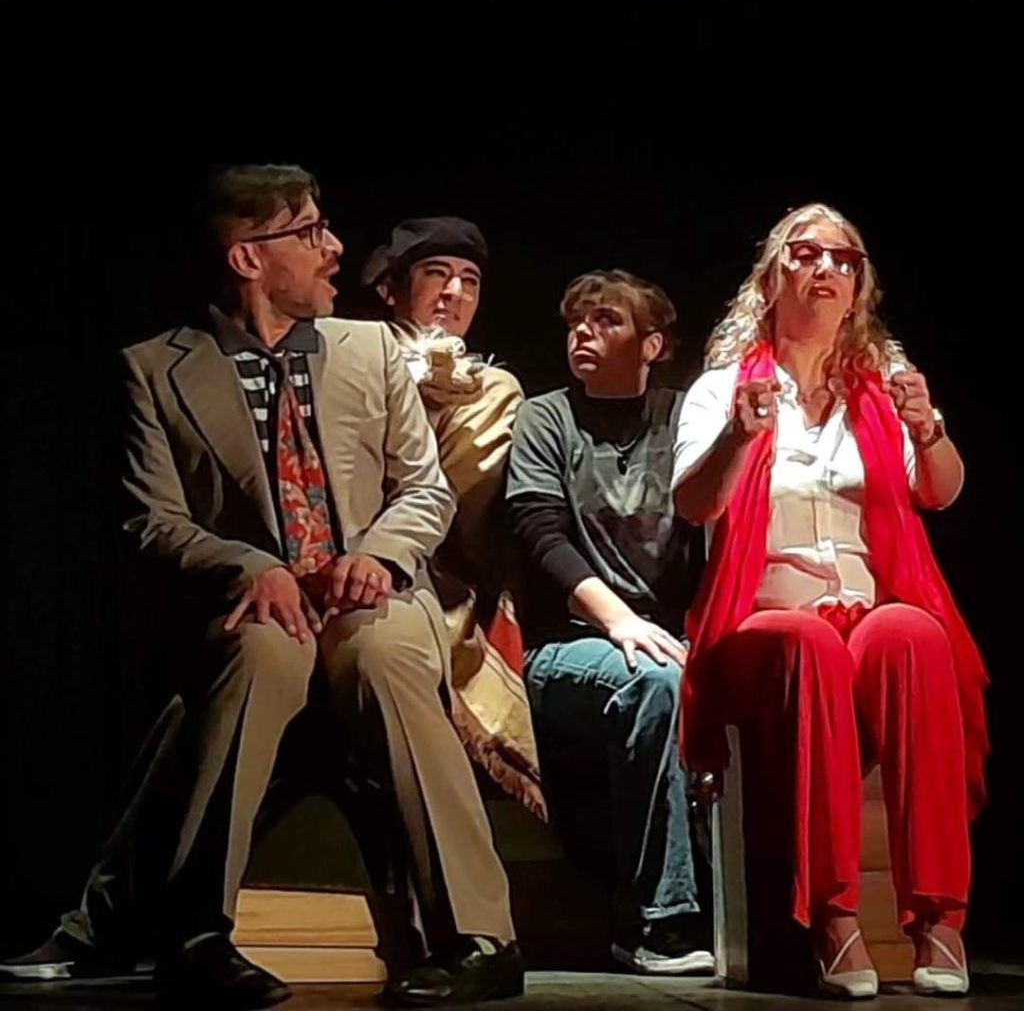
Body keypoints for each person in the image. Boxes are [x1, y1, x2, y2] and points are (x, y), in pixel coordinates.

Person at [1, 166, 522, 1008]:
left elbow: (424, 489)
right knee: (261, 658)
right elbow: (152, 521)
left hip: (375, 593)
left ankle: (479, 939)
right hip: (256, 602)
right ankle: (196, 935)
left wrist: (380, 556)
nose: (335, 247)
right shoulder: (156, 369)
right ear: (248, 258)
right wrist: (250, 567)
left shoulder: (371, 350)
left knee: (385, 656)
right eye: (309, 232)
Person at [673, 203, 988, 998]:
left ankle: (940, 919)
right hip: (764, 627)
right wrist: (739, 438)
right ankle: (834, 915)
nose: (826, 269)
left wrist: (928, 431)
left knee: (916, 635)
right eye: (806, 253)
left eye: (844, 260)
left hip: (866, 613)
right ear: (771, 279)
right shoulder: (723, 391)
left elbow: (939, 492)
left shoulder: (877, 395)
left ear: (857, 292)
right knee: (808, 644)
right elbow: (694, 506)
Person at [506, 269, 713, 974]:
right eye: (575, 323)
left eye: (606, 321)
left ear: (652, 344)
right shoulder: (547, 419)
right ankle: (658, 922)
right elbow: (541, 534)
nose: (583, 334)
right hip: (570, 644)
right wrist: (620, 621)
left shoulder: (683, 418)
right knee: (653, 681)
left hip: (672, 637)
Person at [364, 217, 542, 815]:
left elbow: (464, 504)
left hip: (446, 573)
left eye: (470, 280)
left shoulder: (490, 388)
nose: (454, 292)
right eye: (436, 274)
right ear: (392, 288)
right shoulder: (353, 365)